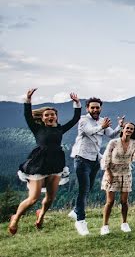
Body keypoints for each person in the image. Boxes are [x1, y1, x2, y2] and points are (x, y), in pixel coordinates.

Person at [9, 89, 81, 235]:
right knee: (33, 198)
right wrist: (28, 100)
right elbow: (27, 115)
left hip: (56, 164)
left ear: (56, 117)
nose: (50, 116)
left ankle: (40, 215)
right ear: (42, 118)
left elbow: (75, 120)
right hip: (38, 164)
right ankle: (15, 218)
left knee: (50, 198)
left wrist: (77, 104)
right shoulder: (37, 129)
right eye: (47, 115)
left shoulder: (60, 129)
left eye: (52, 114)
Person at [68, 97, 123, 236]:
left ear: (100, 108)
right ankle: (80, 221)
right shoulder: (83, 120)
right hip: (81, 158)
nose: (95, 110)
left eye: (97, 107)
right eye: (92, 107)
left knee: (88, 188)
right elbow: (89, 131)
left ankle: (76, 211)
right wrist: (102, 127)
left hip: (94, 160)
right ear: (87, 108)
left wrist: (119, 126)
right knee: (84, 189)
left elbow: (111, 135)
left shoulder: (102, 120)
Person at [99, 122, 135, 235]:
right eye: (127, 128)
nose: (129, 130)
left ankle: (124, 223)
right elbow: (106, 158)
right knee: (110, 201)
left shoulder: (134, 143)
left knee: (124, 201)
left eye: (131, 129)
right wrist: (108, 173)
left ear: (133, 131)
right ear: (123, 129)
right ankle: (105, 226)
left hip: (126, 173)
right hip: (112, 172)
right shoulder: (113, 142)